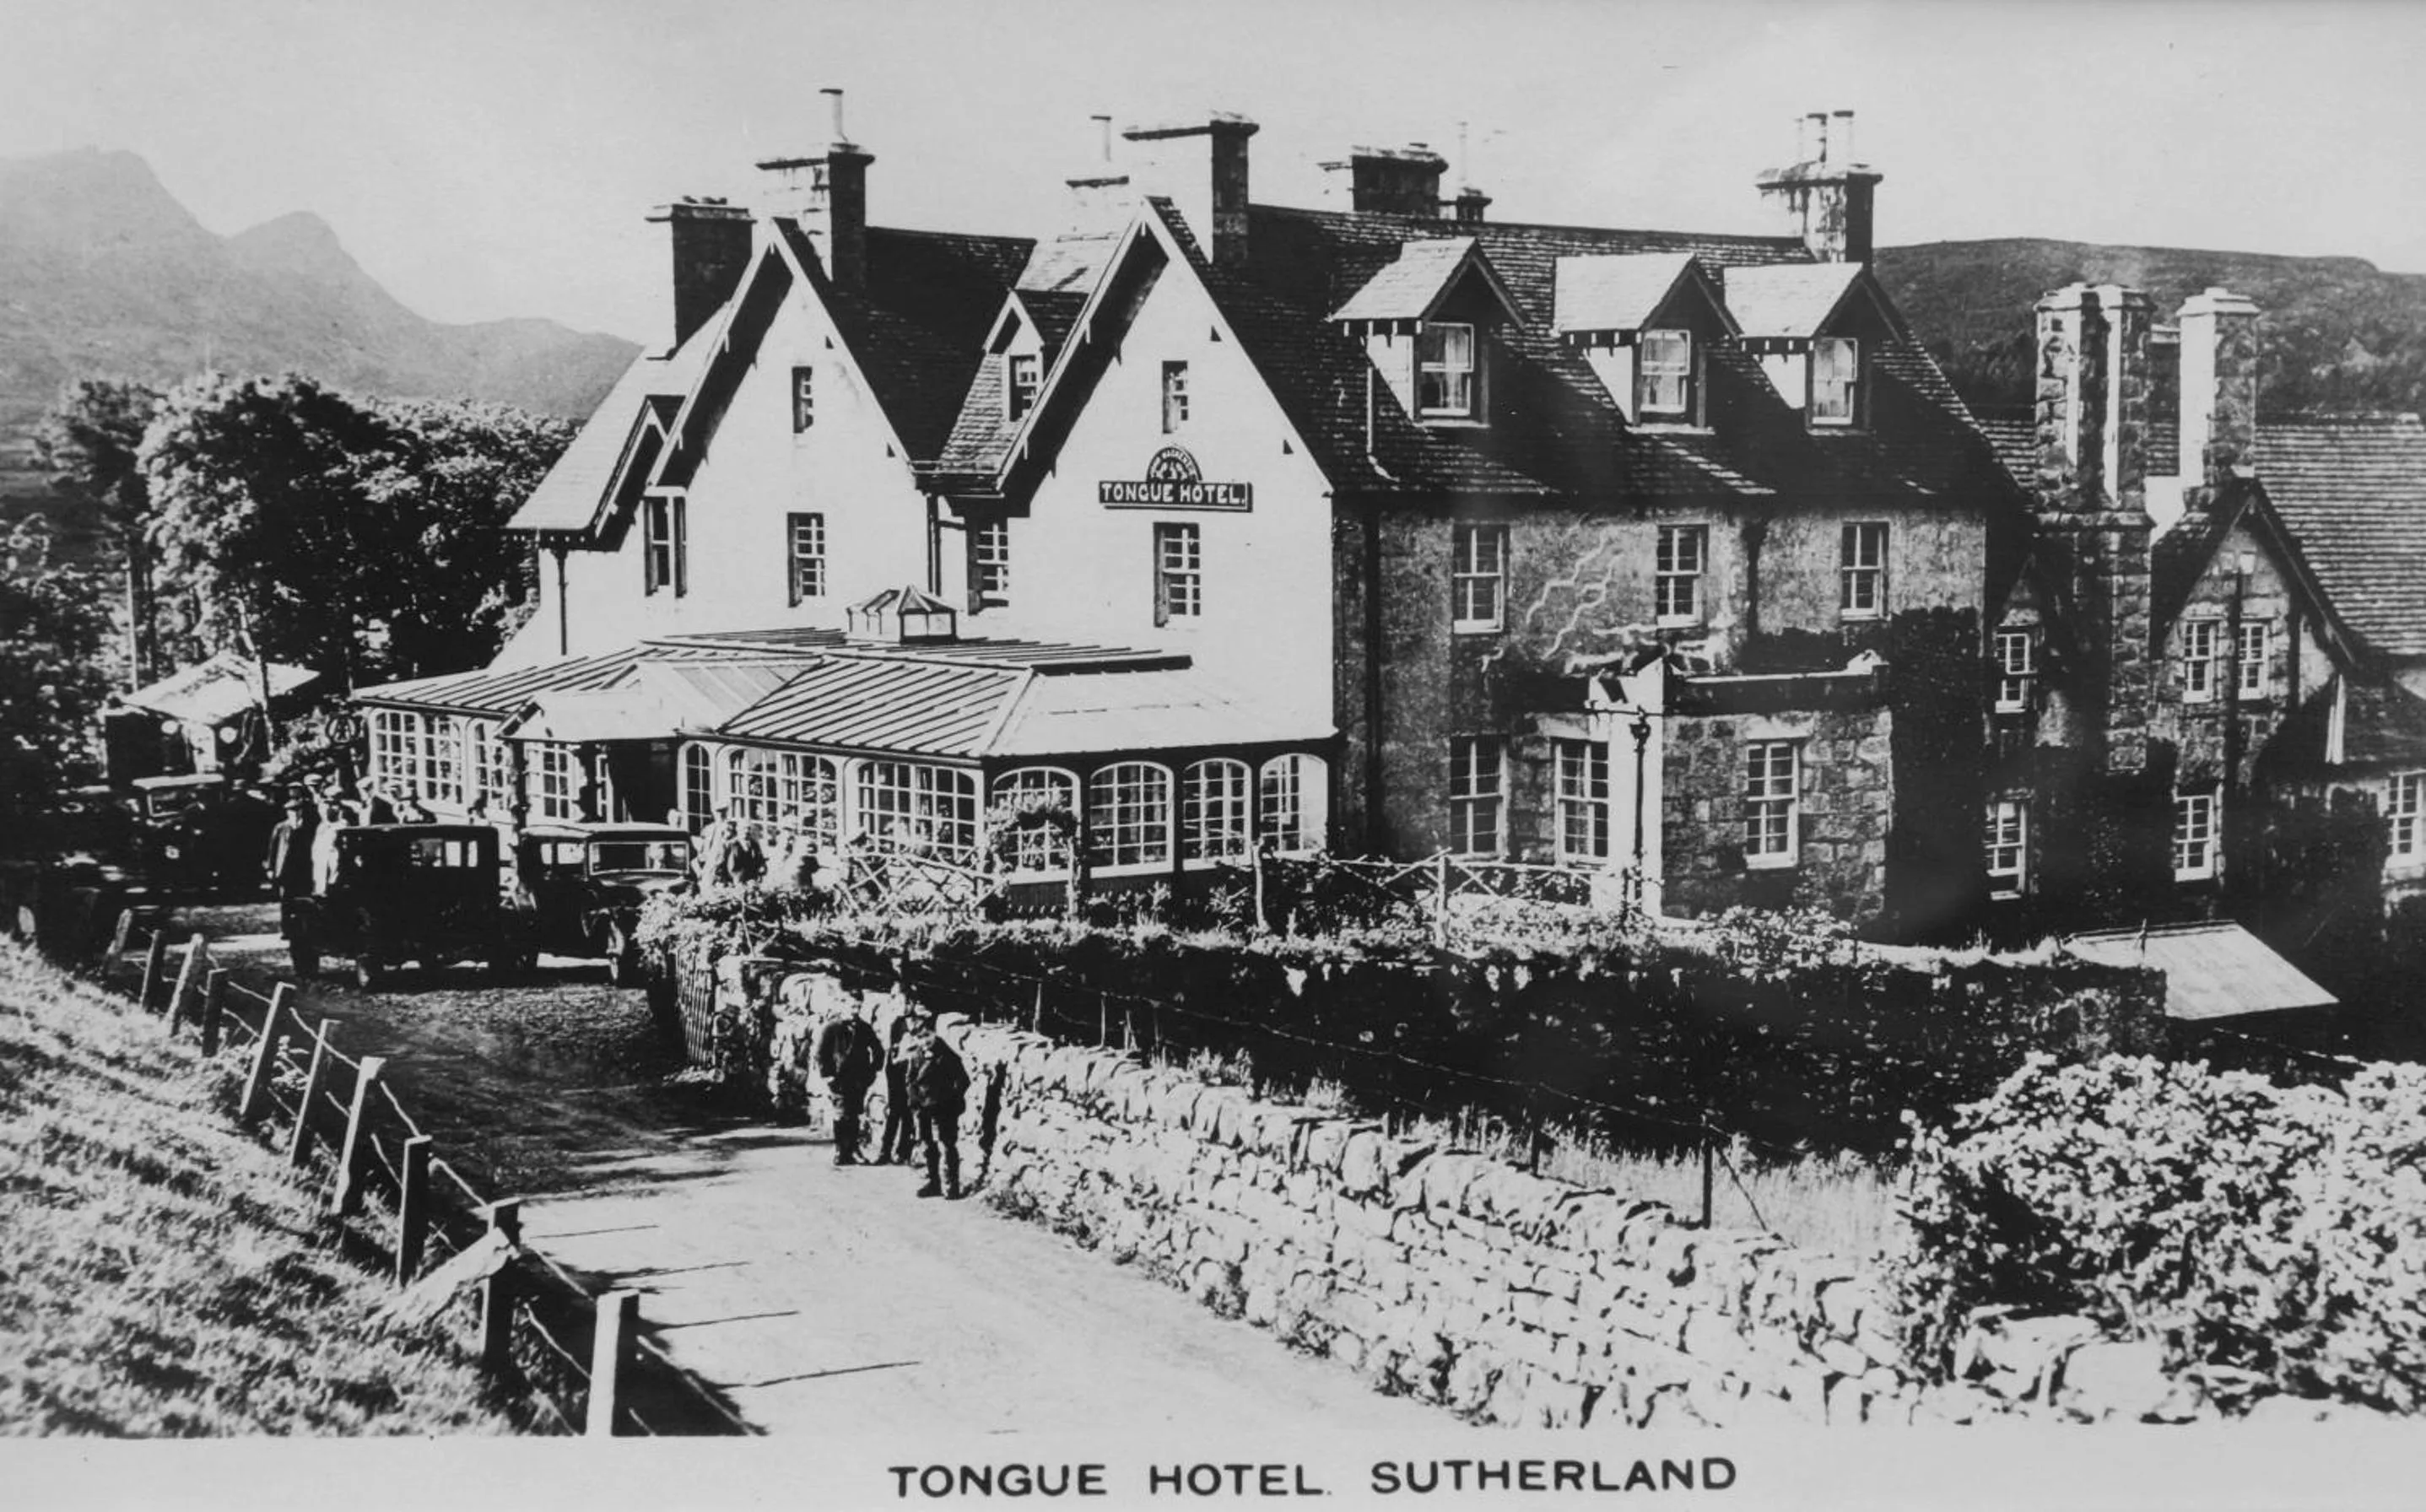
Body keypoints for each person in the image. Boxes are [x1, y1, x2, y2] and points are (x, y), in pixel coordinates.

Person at [904, 1011, 970, 1200]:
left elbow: (963, 1081)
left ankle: (951, 1186)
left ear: (935, 1034)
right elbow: (910, 1081)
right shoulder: (916, 1056)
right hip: (923, 1108)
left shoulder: (947, 1055)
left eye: (927, 1036)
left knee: (947, 1145)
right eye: (919, 1038)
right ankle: (934, 1182)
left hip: (944, 1108)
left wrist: (952, 1100)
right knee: (928, 1145)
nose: (924, 1041)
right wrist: (915, 1101)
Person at [814, 1003, 885, 1166]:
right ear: (842, 1006)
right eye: (851, 1007)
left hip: (858, 1079)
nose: (855, 1011)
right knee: (840, 1113)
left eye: (858, 1007)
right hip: (839, 1079)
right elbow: (821, 1053)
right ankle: (841, 1150)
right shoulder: (832, 1027)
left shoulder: (864, 1028)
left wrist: (872, 1071)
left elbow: (878, 1050)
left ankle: (853, 1149)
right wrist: (827, 1075)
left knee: (854, 1113)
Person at [874, 1014, 914, 1165]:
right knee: (894, 1111)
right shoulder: (896, 1023)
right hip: (896, 1072)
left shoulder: (920, 1022)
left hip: (912, 1073)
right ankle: (886, 1151)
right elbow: (892, 1050)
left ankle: (903, 1151)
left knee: (908, 1113)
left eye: (906, 1002)